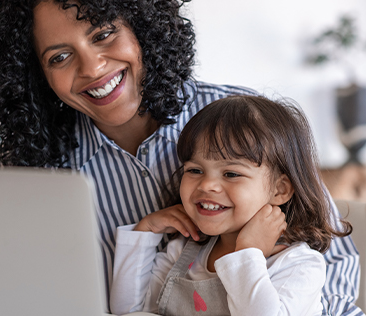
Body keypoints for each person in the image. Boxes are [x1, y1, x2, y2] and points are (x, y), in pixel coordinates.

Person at [0, 1, 362, 314]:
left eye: (103, 34)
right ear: (34, 76)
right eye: (59, 57)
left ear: (142, 28)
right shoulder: (19, 170)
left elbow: (336, 264)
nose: (93, 67)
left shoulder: (243, 121)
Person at [109, 95, 353, 315]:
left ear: (280, 189)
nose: (207, 185)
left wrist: (248, 252)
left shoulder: (298, 265)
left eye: (231, 174)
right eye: (195, 170)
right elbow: (128, 310)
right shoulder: (183, 253)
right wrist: (145, 231)